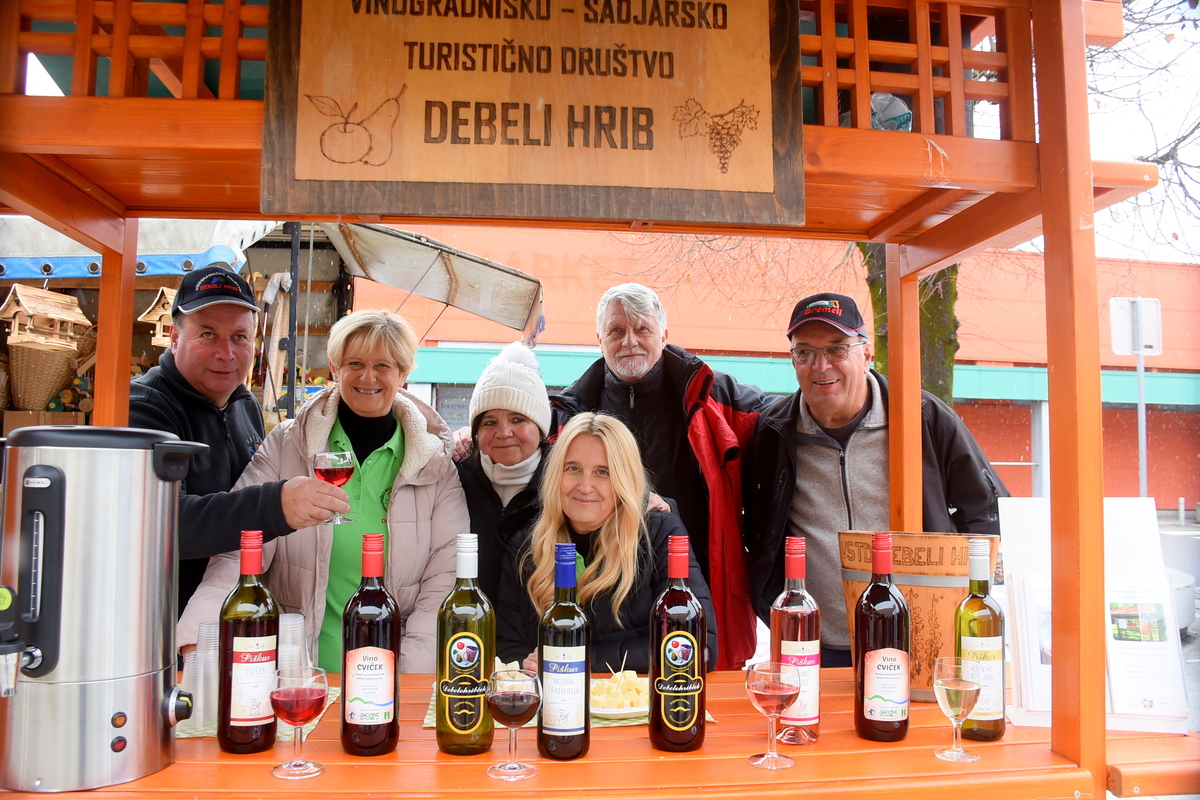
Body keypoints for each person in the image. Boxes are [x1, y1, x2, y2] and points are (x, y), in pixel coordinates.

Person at [177, 310, 468, 673]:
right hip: (294, 673)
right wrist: (200, 641)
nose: (368, 377)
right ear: (334, 368)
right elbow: (239, 551)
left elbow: (443, 582)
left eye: (383, 365)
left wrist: (407, 678)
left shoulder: (435, 465)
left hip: (387, 673)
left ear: (403, 374)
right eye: (355, 363)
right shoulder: (287, 445)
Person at [743, 292, 1009, 667]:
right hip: (816, 644)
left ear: (866, 354)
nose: (820, 365)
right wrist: (772, 601)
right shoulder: (773, 433)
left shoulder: (921, 418)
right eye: (804, 352)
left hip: (920, 641)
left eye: (836, 349)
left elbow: (987, 514)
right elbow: (758, 532)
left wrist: (960, 602)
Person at [549, 282, 766, 669]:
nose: (629, 341)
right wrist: (467, 437)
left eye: (642, 329)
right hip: (611, 601)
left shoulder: (714, 396)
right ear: (599, 339)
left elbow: (786, 423)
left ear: (664, 334)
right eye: (616, 330)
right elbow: (517, 446)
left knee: (696, 677)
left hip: (704, 583)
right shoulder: (570, 412)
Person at [129, 265, 348, 613]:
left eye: (239, 337)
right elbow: (162, 525)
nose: (226, 353)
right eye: (208, 334)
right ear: (174, 337)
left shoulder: (244, 404)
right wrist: (277, 505)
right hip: (161, 621)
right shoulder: (144, 408)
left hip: (238, 616)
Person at [496, 413, 718, 672]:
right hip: (556, 694)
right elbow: (509, 650)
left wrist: (583, 659)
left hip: (636, 698)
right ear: (555, 475)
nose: (585, 486)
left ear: (625, 480)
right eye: (573, 469)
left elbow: (700, 646)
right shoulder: (525, 547)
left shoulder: (659, 534)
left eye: (602, 472)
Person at [456, 342, 552, 602]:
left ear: (540, 428)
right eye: (490, 422)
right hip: (468, 622)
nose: (504, 432)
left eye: (518, 420)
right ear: (476, 433)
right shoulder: (455, 483)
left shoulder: (564, 484)